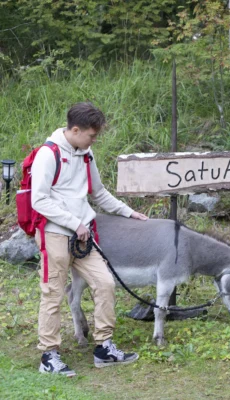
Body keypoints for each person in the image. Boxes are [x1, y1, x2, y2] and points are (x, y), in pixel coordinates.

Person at [31, 102, 149, 377]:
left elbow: (98, 192)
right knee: (53, 294)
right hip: (55, 234)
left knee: (105, 283)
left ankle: (104, 347)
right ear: (75, 129)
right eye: (92, 135)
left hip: (83, 236)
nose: (94, 140)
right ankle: (49, 356)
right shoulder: (48, 155)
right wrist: (73, 223)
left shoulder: (86, 153)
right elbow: (39, 199)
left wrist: (129, 212)